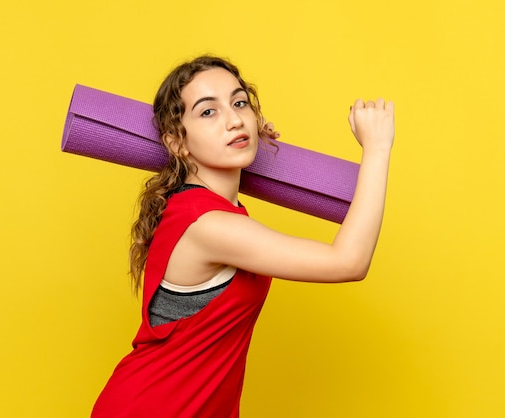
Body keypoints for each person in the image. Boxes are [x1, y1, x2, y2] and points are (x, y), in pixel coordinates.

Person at [91, 55, 395, 417]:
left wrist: (242, 146)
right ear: (176, 143)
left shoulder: (202, 208)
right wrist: (377, 148)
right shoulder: (208, 225)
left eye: (239, 104)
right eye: (208, 112)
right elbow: (349, 261)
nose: (234, 119)